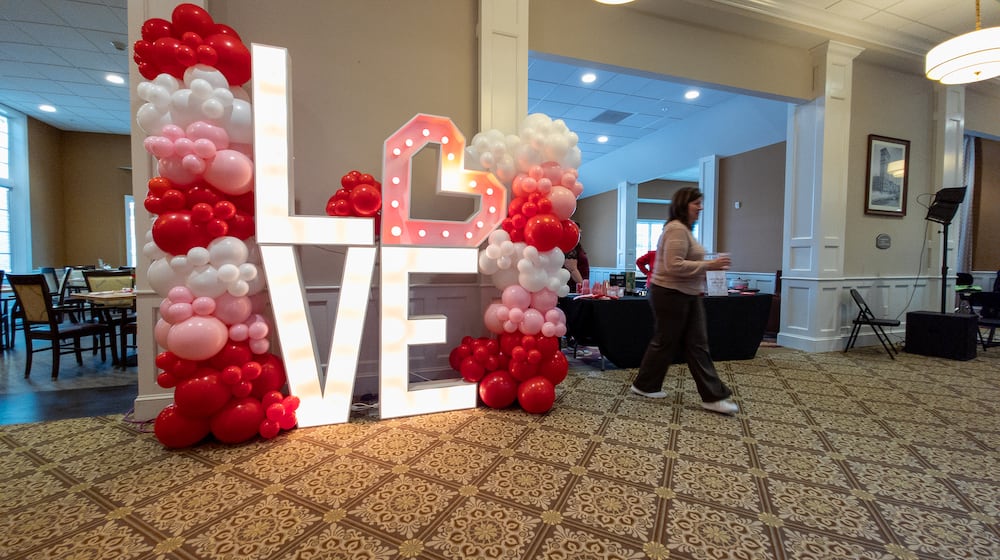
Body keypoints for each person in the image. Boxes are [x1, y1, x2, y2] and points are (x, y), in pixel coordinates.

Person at [630, 187, 738, 415]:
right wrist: (710, 265)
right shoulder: (677, 229)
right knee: (690, 344)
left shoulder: (683, 230)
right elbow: (674, 265)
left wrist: (708, 268)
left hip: (683, 293)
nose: (700, 207)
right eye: (696, 203)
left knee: (672, 342)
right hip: (671, 293)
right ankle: (712, 396)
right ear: (683, 204)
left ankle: (645, 385)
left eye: (701, 202)